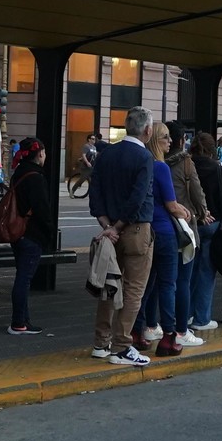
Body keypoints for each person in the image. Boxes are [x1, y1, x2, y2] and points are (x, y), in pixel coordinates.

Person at [87, 106, 157, 367]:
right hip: (136, 230)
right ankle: (121, 346)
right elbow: (138, 198)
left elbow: (95, 193)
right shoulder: (144, 157)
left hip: (109, 232)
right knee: (133, 289)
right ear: (147, 130)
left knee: (108, 285)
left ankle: (101, 343)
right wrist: (118, 227)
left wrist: (107, 225)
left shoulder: (106, 154)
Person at [135, 123, 185, 356]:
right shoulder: (161, 167)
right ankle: (168, 336)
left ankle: (136, 332)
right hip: (164, 232)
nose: (170, 141)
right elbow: (171, 205)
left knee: (143, 285)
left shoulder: (141, 164)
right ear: (155, 140)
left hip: (144, 231)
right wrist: (186, 212)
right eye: (165, 137)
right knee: (167, 285)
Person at [167, 132, 211, 347]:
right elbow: (197, 192)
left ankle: (152, 326)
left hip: (160, 226)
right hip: (183, 225)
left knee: (162, 282)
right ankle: (180, 329)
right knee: (183, 280)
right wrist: (203, 212)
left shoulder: (156, 161)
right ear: (181, 140)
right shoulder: (185, 163)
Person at [5, 139, 54, 334]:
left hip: (17, 232)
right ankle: (18, 322)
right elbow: (42, 209)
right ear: (40, 153)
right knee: (24, 279)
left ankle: (23, 320)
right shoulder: (36, 177)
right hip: (31, 234)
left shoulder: (18, 173)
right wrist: (48, 231)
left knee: (22, 276)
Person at [188, 130, 222, 333]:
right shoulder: (216, 169)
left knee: (187, 273)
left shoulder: (186, 166)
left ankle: (185, 315)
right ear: (213, 149)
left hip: (189, 223)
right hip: (212, 223)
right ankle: (202, 318)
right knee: (206, 273)